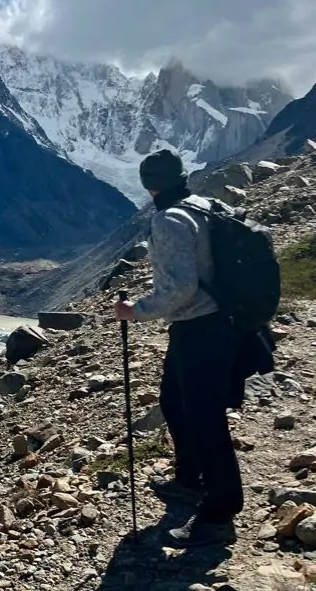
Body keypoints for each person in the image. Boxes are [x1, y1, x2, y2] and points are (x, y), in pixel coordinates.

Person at [114, 149, 243, 548]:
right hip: (220, 322)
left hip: (200, 327)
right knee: (174, 400)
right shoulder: (206, 205)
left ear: (148, 184)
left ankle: (219, 514)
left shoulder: (169, 218)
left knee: (205, 418)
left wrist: (137, 310)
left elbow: (181, 287)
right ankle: (190, 477)